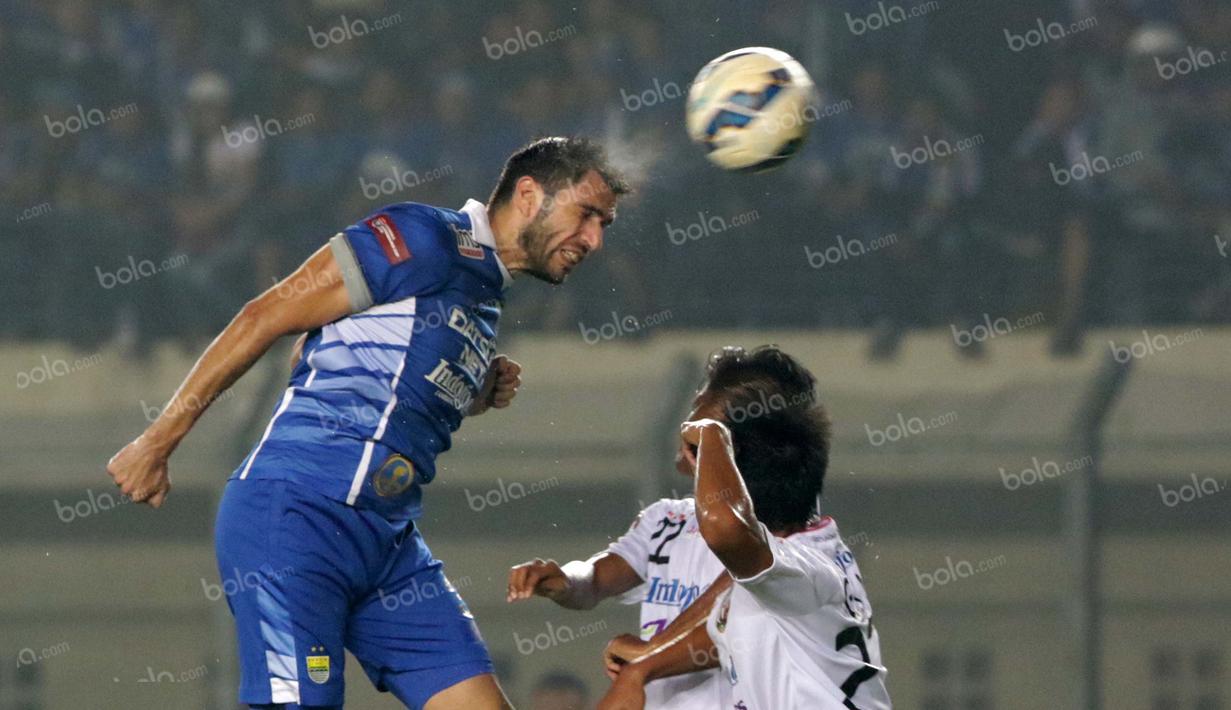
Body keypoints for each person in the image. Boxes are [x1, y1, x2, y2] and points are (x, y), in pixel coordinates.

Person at [106, 137, 627, 709]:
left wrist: (475, 391)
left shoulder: (485, 291)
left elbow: (344, 357)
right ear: (528, 195)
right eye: (587, 214)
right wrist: (157, 442)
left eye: (604, 224)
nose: (594, 240)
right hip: (298, 517)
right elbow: (267, 314)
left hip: (387, 544)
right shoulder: (423, 236)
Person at [506, 344, 826, 708]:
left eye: (702, 411)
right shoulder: (665, 520)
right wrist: (565, 580)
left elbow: (734, 611)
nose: (689, 423)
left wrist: (649, 657)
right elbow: (595, 579)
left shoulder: (785, 533)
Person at [598, 346, 891, 710]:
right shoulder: (778, 569)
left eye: (702, 453)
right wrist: (645, 664)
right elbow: (718, 628)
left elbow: (725, 530)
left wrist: (712, 435)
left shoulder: (804, 567)